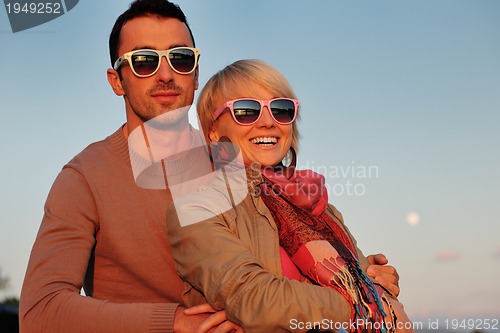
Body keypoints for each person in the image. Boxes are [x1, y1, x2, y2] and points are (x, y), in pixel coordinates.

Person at [19, 1, 400, 332]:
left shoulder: (242, 160)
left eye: (180, 58)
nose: (165, 74)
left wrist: (363, 276)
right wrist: (172, 322)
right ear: (116, 80)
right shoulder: (85, 178)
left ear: (196, 73)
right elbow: (40, 311)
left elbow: (287, 262)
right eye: (144, 61)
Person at [167, 59, 413, 333]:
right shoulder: (196, 208)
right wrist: (364, 303)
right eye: (246, 111)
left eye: (280, 110)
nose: (267, 123)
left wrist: (380, 282)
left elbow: (377, 290)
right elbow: (255, 298)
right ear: (213, 131)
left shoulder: (317, 206)